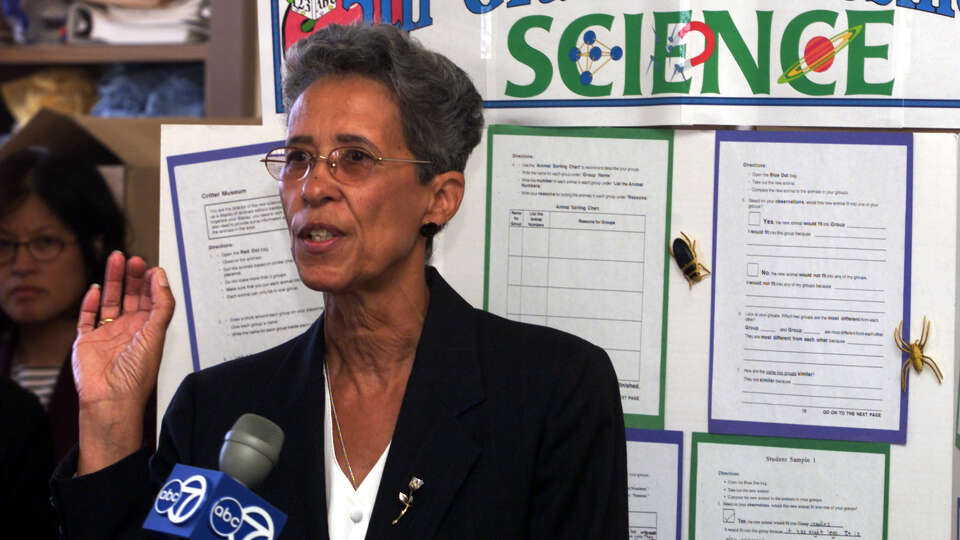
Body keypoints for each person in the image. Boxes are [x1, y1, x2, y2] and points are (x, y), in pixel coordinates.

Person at [50, 23, 628, 538]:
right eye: (298, 157)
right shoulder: (217, 408)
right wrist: (110, 415)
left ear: (440, 198)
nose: (313, 186)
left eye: (354, 157)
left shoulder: (551, 391)